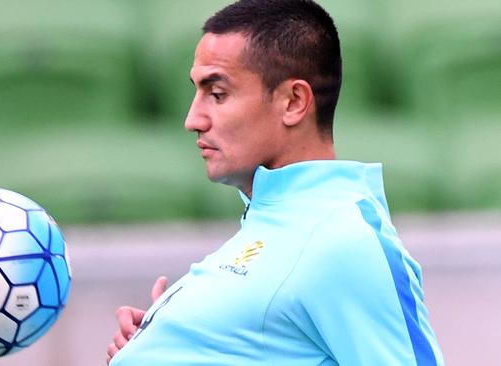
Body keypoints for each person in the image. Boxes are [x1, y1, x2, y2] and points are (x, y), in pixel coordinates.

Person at [107, 0, 444, 364]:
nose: (193, 119)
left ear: (294, 102)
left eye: (216, 94)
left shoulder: (342, 240)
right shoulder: (272, 225)